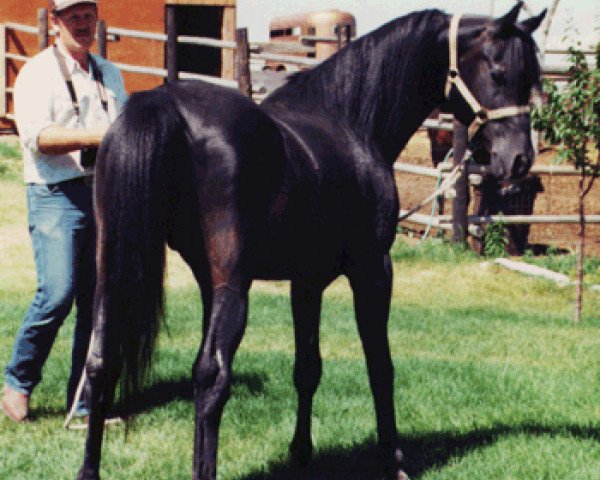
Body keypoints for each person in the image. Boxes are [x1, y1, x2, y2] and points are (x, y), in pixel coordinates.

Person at [1, 0, 127, 422]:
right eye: (72, 15)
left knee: (97, 302)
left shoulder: (110, 74)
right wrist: (103, 135)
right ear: (55, 21)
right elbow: (38, 137)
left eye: (88, 14)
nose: (82, 23)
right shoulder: (37, 72)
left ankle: (86, 400)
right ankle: (18, 381)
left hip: (102, 195)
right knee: (57, 293)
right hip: (54, 193)